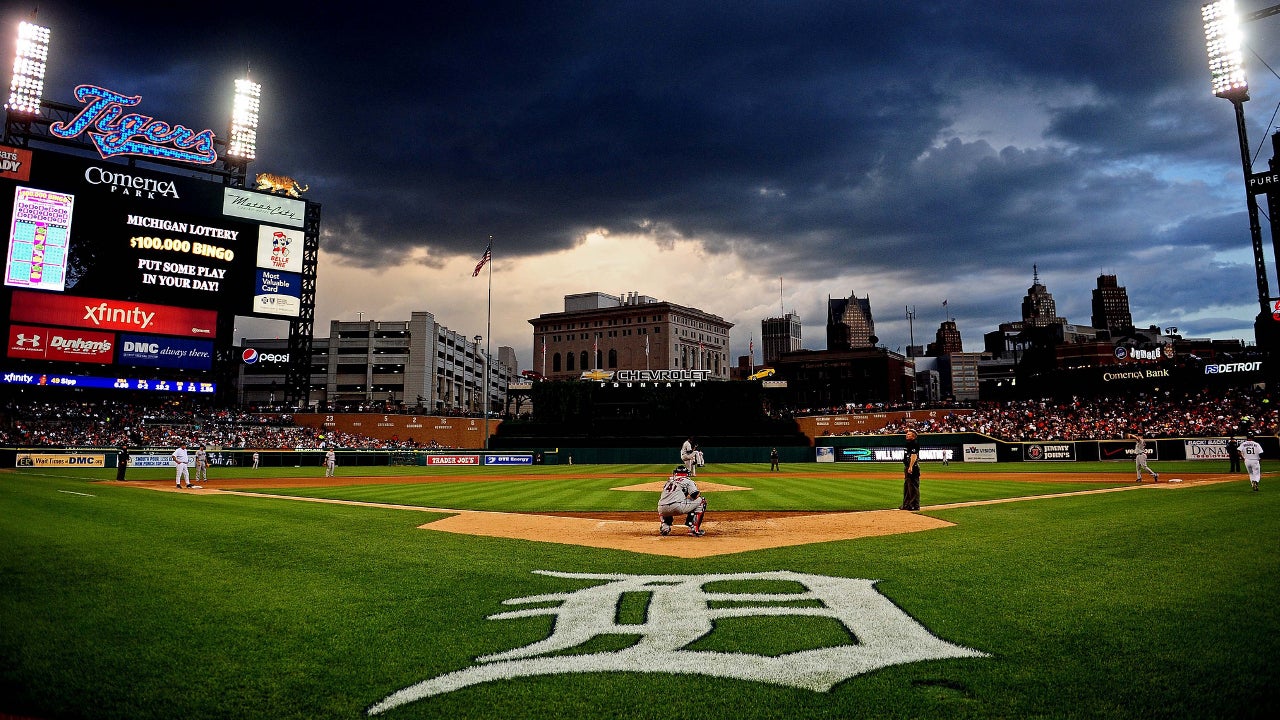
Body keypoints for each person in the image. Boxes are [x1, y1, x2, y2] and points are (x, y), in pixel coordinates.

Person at [658, 466, 707, 536]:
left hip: (661, 509)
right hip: (677, 507)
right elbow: (694, 495)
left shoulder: (669, 481)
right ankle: (694, 529)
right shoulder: (688, 481)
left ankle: (665, 527)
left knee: (667, 501)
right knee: (701, 501)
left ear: (675, 473)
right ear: (686, 474)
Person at [900, 429, 920, 511]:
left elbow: (914, 455)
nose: (906, 435)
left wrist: (910, 467)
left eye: (909, 434)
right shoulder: (908, 444)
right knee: (907, 487)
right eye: (907, 434)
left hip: (913, 467)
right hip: (907, 466)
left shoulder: (914, 443)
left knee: (913, 486)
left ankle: (914, 505)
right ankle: (906, 504)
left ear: (913, 436)